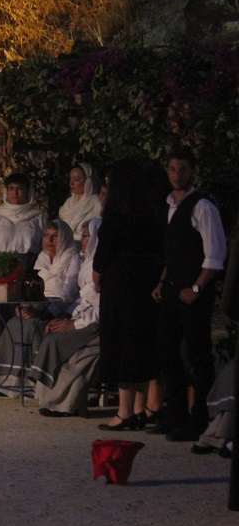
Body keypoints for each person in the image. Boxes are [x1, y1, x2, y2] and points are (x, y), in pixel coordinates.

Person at [150, 148, 227, 441]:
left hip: (194, 293)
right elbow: (173, 254)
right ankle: (176, 413)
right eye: (172, 169)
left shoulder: (202, 207)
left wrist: (196, 288)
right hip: (172, 290)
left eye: (182, 169)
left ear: (191, 171)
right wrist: (162, 282)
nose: (176, 175)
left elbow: (215, 256)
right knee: (166, 349)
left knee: (198, 355)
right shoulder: (169, 205)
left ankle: (200, 419)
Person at [94, 159, 164, 431]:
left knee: (123, 343)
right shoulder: (152, 212)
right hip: (146, 280)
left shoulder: (117, 214)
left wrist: (98, 274)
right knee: (141, 342)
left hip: (121, 283)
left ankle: (124, 412)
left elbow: (105, 250)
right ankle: (139, 407)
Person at [0, 219, 81, 393]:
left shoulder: (73, 258)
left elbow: (69, 293)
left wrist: (44, 313)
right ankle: (7, 382)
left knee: (31, 327)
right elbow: (33, 288)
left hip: (59, 310)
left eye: (55, 236)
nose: (50, 241)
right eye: (46, 236)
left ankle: (32, 382)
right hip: (38, 306)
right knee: (14, 324)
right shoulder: (42, 258)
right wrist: (24, 307)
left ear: (64, 238)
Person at [29, 218, 102, 417]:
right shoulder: (89, 262)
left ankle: (60, 403)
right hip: (80, 315)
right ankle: (50, 400)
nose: (82, 240)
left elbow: (99, 307)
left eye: (85, 236)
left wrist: (73, 323)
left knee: (55, 340)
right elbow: (81, 299)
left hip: (95, 324)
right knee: (50, 331)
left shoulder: (100, 267)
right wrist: (66, 316)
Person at [0, 172, 47, 368]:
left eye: (20, 189)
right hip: (1, 272)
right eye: (11, 189)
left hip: (28, 272)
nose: (15, 193)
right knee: (0, 316)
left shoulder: (37, 217)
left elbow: (43, 248)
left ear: (28, 192)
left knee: (24, 314)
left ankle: (24, 366)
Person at [58, 163, 103, 240]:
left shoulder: (96, 203)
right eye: (70, 179)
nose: (71, 183)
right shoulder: (68, 203)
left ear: (87, 181)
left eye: (76, 179)